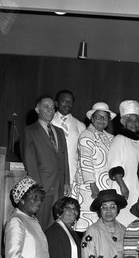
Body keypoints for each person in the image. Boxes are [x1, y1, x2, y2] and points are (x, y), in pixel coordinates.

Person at [20, 95, 70, 230]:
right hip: (43, 187)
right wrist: (38, 189)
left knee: (56, 225)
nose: (50, 110)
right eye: (46, 107)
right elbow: (30, 161)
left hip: (59, 186)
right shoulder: (29, 131)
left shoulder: (59, 132)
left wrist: (66, 182)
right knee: (40, 225)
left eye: (53, 108)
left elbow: (64, 158)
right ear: (37, 109)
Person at [2, 176, 55, 258]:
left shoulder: (31, 219)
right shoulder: (16, 220)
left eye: (41, 199)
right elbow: (12, 257)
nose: (39, 202)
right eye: (34, 198)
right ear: (22, 200)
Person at [73, 102, 116, 232]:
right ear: (92, 118)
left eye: (105, 117)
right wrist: (92, 184)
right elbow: (85, 161)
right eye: (98, 117)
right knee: (87, 222)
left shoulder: (108, 137)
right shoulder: (86, 135)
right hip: (90, 186)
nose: (102, 120)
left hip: (104, 185)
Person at [82, 189, 127, 258]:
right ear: (99, 210)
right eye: (104, 207)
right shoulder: (92, 231)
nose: (108, 211)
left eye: (112, 207)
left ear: (118, 210)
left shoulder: (124, 230)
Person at [108, 100, 139, 227]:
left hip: (136, 189)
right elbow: (114, 166)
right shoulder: (119, 139)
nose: (133, 124)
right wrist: (123, 187)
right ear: (124, 121)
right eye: (130, 120)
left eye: (136, 120)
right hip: (123, 188)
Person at [51, 89, 86, 188]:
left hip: (73, 176)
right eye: (64, 101)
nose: (68, 104)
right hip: (52, 176)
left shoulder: (80, 126)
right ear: (56, 103)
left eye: (70, 101)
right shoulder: (49, 122)